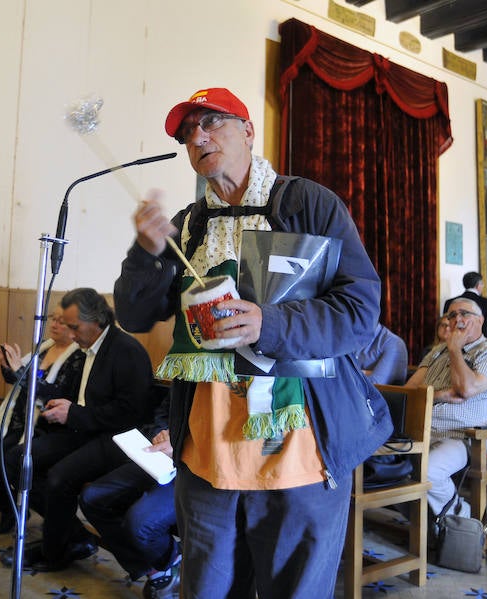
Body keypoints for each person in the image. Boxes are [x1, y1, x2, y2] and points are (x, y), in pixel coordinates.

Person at [113, 87, 391, 598]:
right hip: (206, 453)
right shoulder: (188, 226)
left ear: (248, 131)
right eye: (187, 132)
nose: (198, 137)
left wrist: (270, 323)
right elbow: (133, 315)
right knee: (209, 590)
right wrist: (147, 253)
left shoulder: (307, 204)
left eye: (212, 122)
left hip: (298, 449)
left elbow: (360, 312)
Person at [0, 288, 156, 572]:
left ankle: (55, 551)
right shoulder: (88, 348)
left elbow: (129, 414)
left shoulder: (126, 351)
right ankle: (73, 536)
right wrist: (56, 400)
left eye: (74, 327)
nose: (70, 334)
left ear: (96, 320)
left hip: (119, 438)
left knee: (60, 477)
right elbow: (75, 396)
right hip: (87, 429)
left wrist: (74, 412)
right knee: (18, 459)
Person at [0, 305, 82, 535]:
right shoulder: (45, 348)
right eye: (53, 319)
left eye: (62, 321)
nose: (55, 324)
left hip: (42, 426)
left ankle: (18, 511)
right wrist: (8, 366)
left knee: (3, 456)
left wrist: (19, 371)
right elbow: (19, 381)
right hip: (14, 418)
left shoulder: (77, 357)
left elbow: (53, 393)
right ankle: (8, 507)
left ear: (75, 327)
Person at [405, 297, 487, 519]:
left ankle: (462, 522)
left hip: (463, 436)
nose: (457, 319)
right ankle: (431, 525)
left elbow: (466, 389)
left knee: (429, 471)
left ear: (480, 320)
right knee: (382, 467)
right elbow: (408, 392)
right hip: (420, 430)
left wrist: (454, 349)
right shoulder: (436, 352)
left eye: (464, 314)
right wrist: (439, 395)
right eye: (452, 315)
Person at [80, 389, 181, 599]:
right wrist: (161, 432)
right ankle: (161, 567)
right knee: (93, 497)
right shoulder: (188, 363)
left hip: (194, 469)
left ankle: (168, 564)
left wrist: (180, 443)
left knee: (140, 523)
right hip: (161, 456)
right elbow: (164, 412)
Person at [443, 271, 487, 338]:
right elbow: (486, 332)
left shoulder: (449, 302)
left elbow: (446, 325)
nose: (483, 286)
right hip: (477, 345)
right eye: (482, 283)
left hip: (452, 341)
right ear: (477, 285)